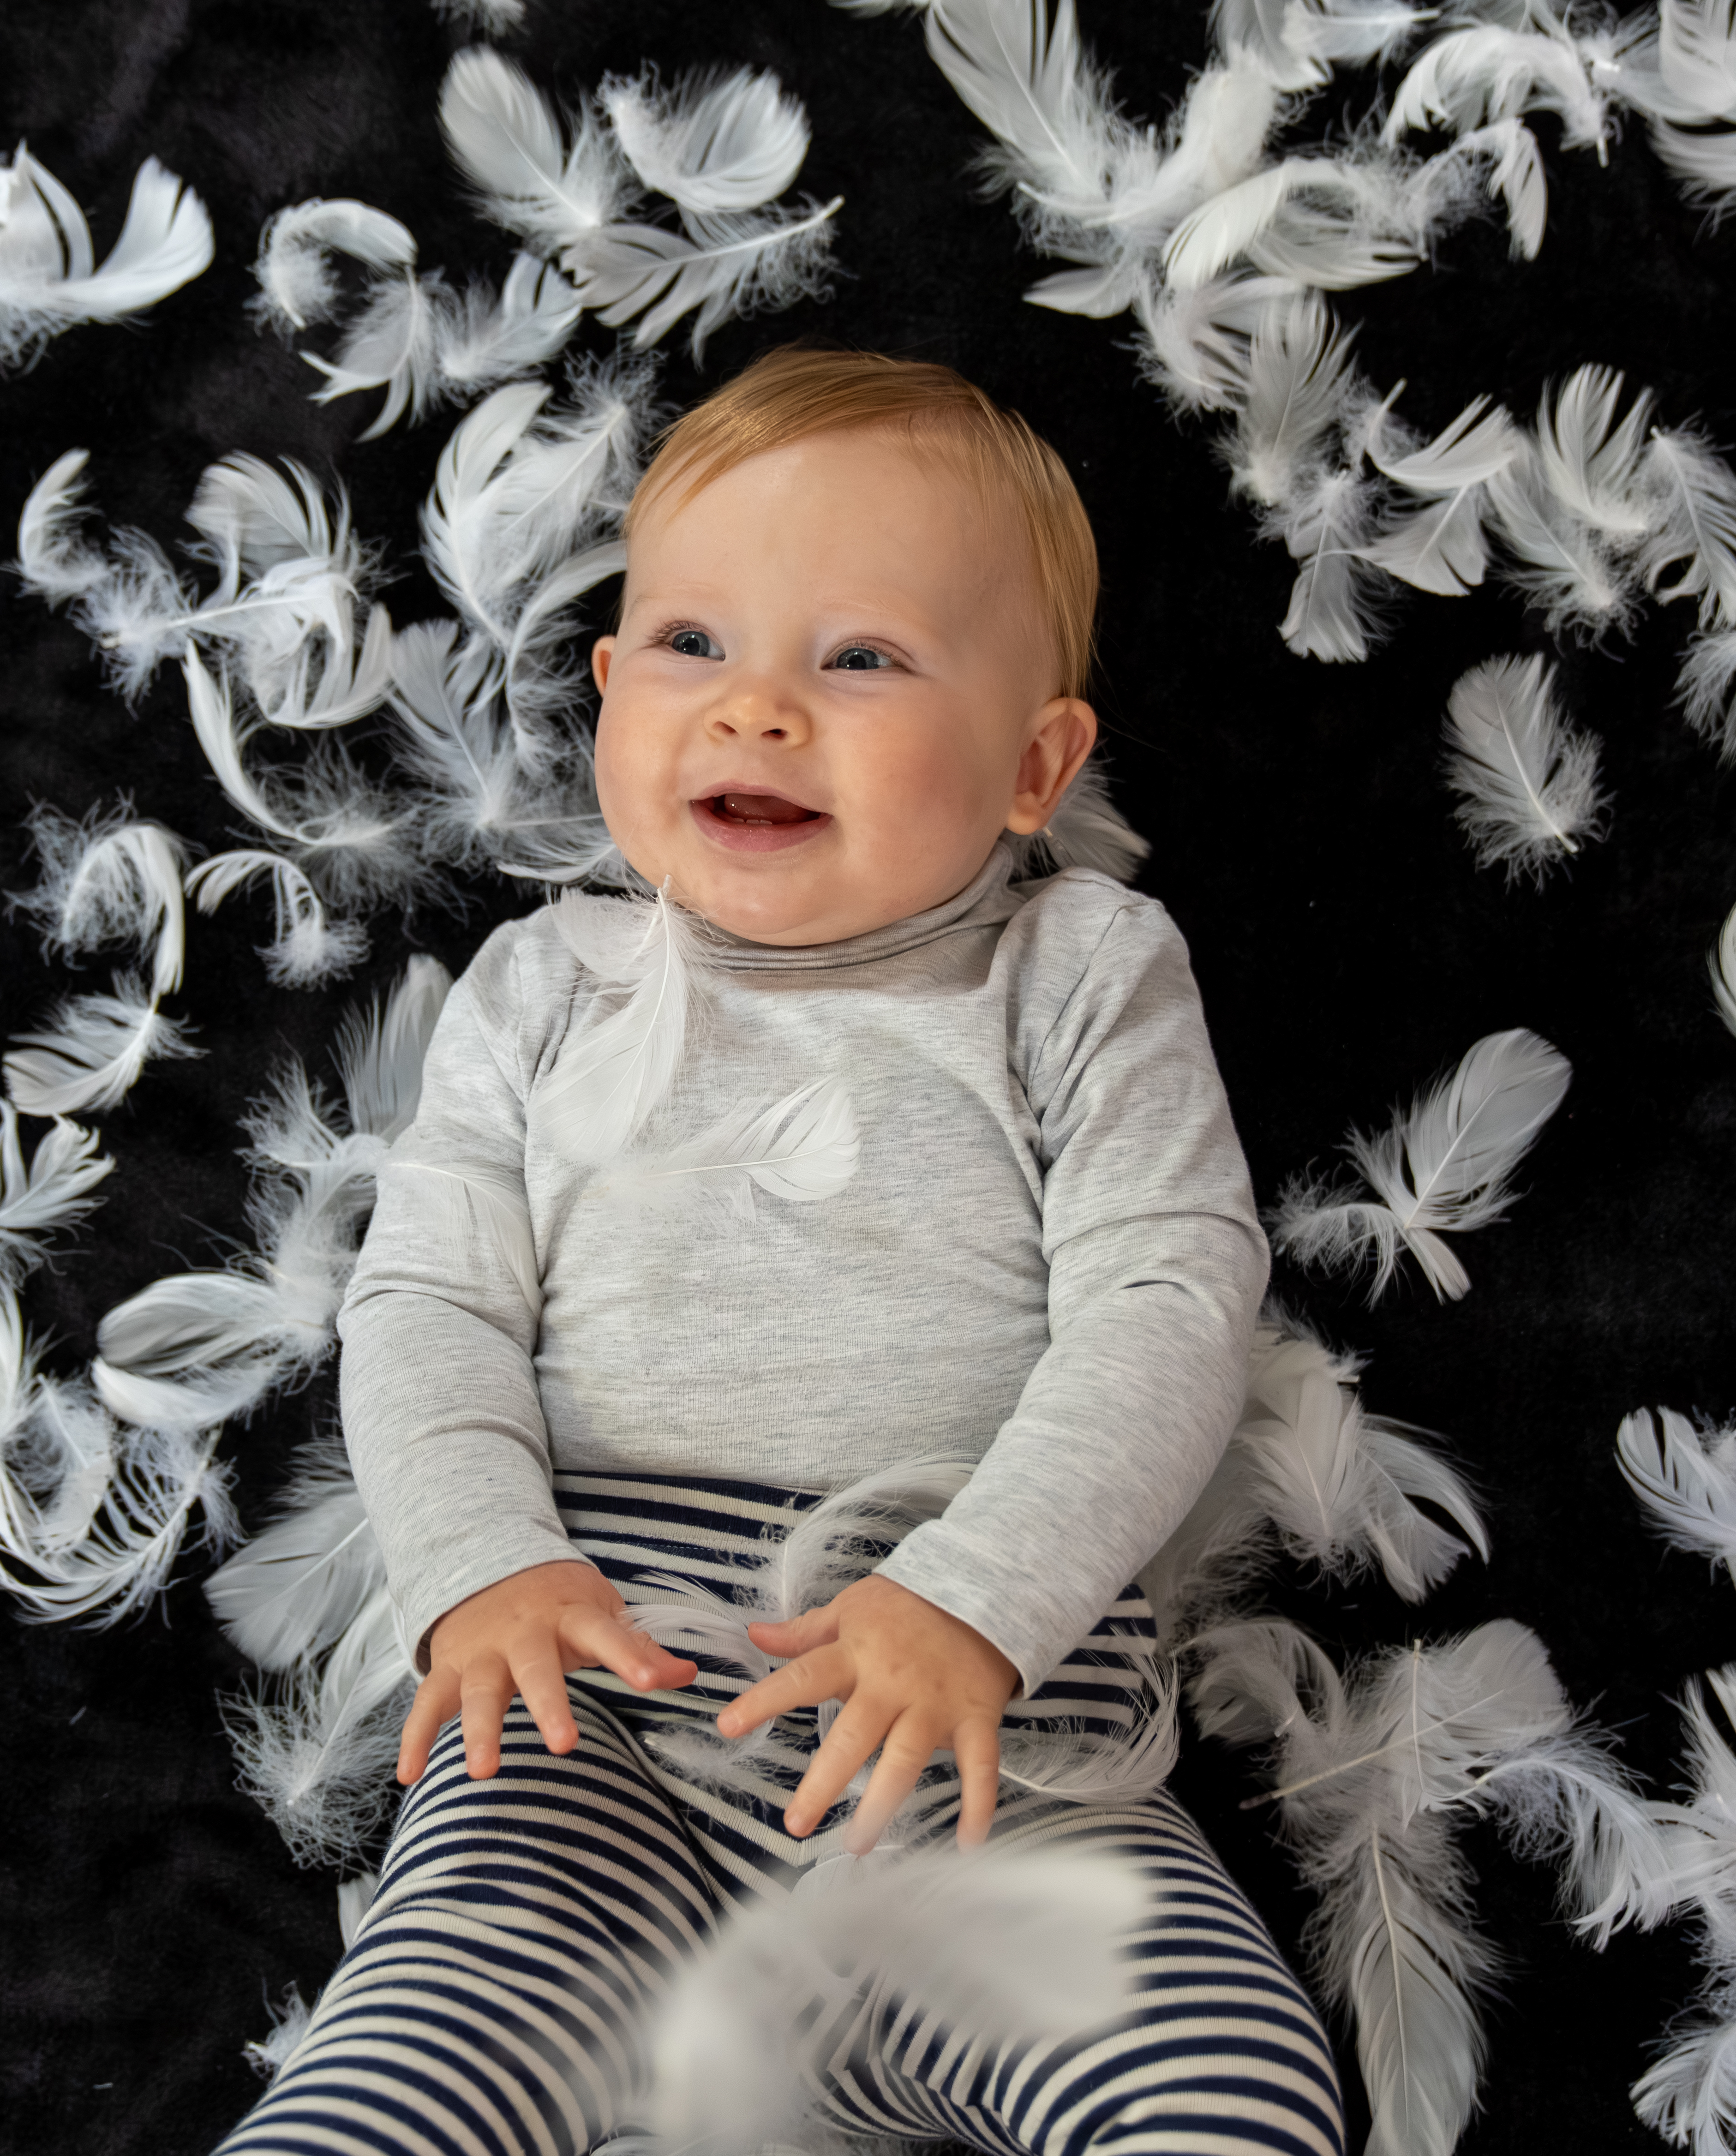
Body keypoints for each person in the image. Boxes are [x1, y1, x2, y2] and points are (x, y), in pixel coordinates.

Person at [219, 349, 1344, 2156]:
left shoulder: (1082, 974)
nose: (754, 712)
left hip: (992, 1767)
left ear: (1035, 762)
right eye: (689, 648)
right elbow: (427, 1303)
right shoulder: (544, 986)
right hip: (596, 1748)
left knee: (1230, 2092)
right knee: (394, 2081)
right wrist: (477, 1565)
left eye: (861, 659)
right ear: (602, 688)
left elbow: (1170, 1301)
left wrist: (974, 1597)